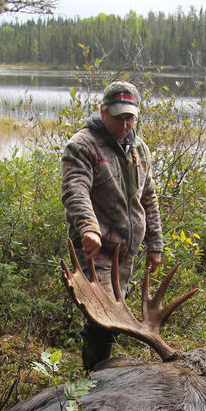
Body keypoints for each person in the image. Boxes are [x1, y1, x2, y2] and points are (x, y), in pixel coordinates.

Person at [61, 80, 164, 369]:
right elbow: (75, 189)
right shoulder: (83, 146)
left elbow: (148, 197)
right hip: (98, 250)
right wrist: (88, 227)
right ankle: (92, 378)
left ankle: (101, 372)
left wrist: (155, 243)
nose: (125, 123)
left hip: (126, 253)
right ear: (103, 111)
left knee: (116, 314)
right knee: (102, 318)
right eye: (119, 116)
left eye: (130, 117)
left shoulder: (139, 150)